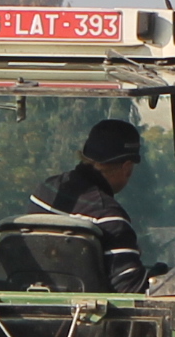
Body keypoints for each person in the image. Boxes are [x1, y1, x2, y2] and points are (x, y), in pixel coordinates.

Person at [33, 119, 149, 293]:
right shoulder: (108, 216)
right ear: (127, 167)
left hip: (28, 304)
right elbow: (129, 289)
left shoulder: (44, 191)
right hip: (81, 309)